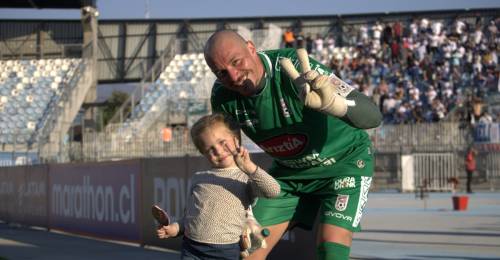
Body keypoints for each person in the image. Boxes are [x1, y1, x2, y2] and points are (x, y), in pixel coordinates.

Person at [204, 30, 383, 260]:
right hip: (289, 173)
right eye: (221, 72)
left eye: (236, 62)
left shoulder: (295, 67)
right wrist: (245, 210)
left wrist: (332, 103)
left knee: (332, 249)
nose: (234, 75)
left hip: (344, 162)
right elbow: (230, 158)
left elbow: (372, 116)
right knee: (249, 250)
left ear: (251, 47)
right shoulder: (221, 96)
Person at [156, 113, 280, 259]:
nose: (219, 151)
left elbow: (273, 191)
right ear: (204, 154)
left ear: (236, 139)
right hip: (191, 248)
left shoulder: (245, 177)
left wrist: (249, 167)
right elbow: (190, 218)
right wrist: (174, 228)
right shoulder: (199, 178)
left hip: (225, 251)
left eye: (222, 142)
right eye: (210, 149)